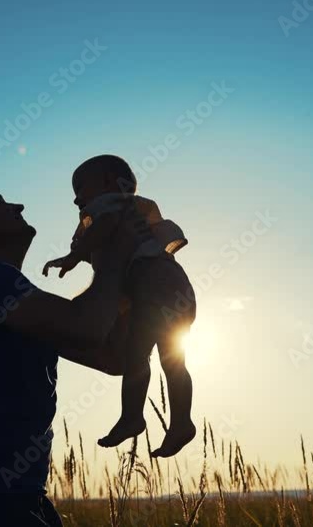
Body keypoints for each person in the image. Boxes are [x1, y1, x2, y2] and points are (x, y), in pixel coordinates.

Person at [0, 190, 140, 527]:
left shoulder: (10, 297)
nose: (18, 205)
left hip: (13, 496)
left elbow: (115, 358)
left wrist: (130, 278)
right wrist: (115, 250)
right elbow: (86, 327)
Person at [42, 155, 197, 458]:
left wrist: (74, 256)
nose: (76, 199)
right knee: (173, 359)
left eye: (80, 189)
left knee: (137, 356)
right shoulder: (135, 210)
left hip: (154, 288)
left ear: (109, 184)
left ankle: (132, 417)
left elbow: (106, 227)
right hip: (175, 288)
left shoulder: (111, 205)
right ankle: (180, 421)